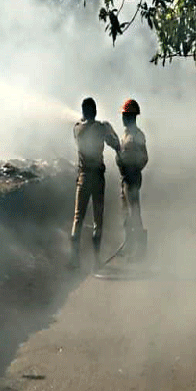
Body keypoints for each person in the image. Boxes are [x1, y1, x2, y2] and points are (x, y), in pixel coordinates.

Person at [69, 97, 120, 270]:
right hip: (97, 178)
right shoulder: (101, 128)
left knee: (78, 218)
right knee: (98, 219)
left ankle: (74, 260)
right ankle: (96, 261)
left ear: (83, 112)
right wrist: (109, 128)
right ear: (95, 111)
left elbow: (82, 125)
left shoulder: (77, 129)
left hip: (83, 178)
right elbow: (116, 144)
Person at [115, 98, 148, 260]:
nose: (122, 118)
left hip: (132, 178)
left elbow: (144, 158)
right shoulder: (126, 134)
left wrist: (133, 170)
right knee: (126, 214)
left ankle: (139, 250)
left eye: (124, 115)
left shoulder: (137, 136)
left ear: (130, 117)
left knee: (134, 213)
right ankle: (129, 245)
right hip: (125, 179)